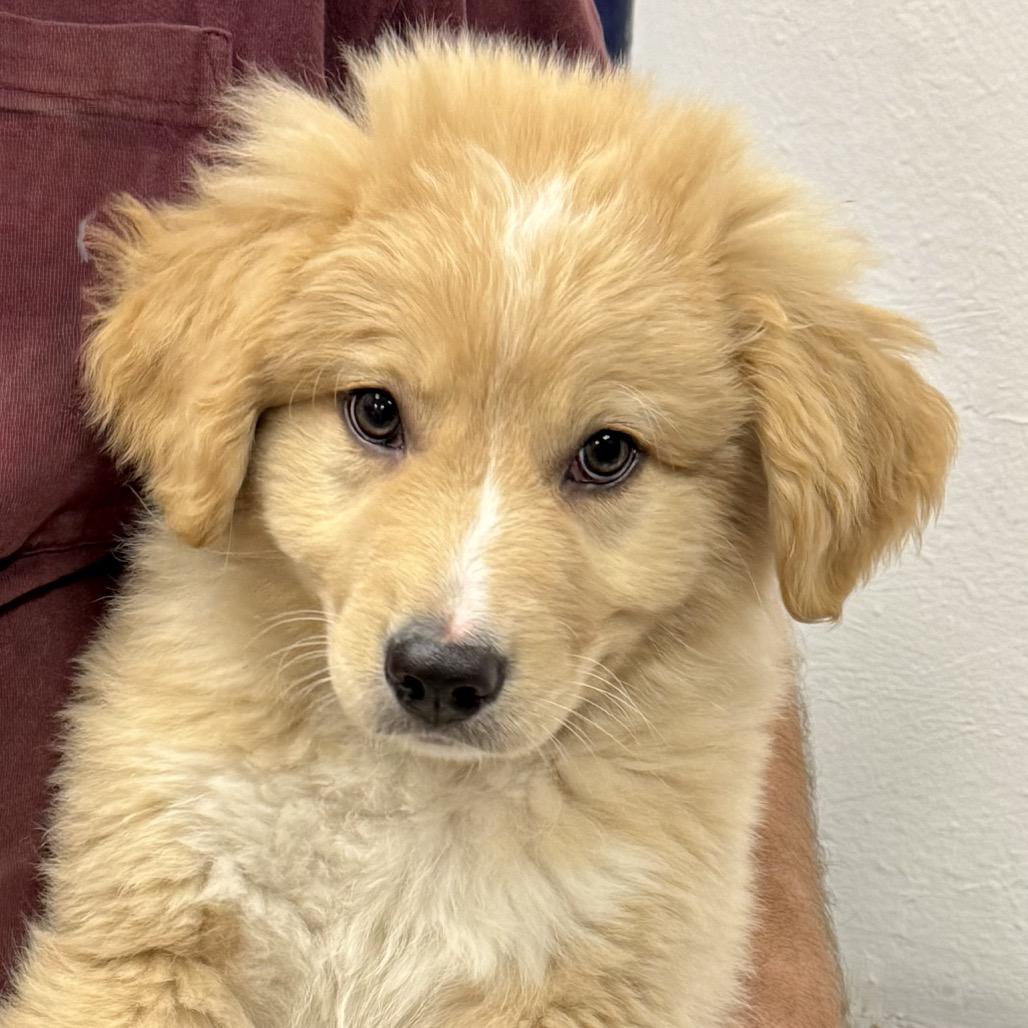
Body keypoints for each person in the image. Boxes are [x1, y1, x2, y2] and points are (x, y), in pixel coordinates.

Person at [0, 3, 844, 1023]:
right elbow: (126, 976)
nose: (456, 626)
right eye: (375, 412)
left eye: (605, 453)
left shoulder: (661, 766)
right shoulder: (195, 689)